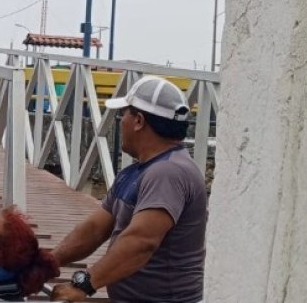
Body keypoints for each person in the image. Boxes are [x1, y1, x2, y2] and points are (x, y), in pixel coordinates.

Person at [48, 76, 207, 303]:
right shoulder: (136, 171)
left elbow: (141, 241)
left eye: (124, 114)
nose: (120, 121)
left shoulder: (168, 172)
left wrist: (83, 285)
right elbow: (95, 229)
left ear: (139, 120)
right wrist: (49, 262)